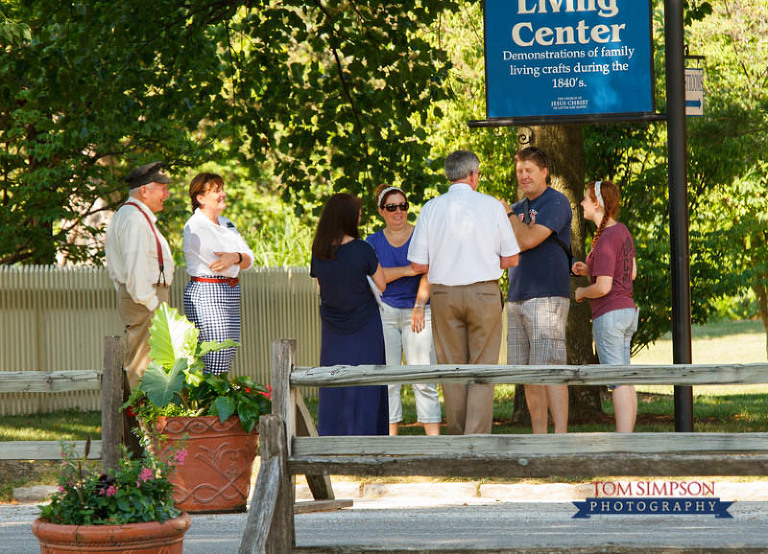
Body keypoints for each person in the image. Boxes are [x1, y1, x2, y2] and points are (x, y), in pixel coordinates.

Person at [408, 150, 520, 435]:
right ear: (473, 175)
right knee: (482, 366)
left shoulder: (431, 208)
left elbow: (418, 263)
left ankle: (458, 437)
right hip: (484, 293)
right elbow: (512, 258)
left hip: (444, 294)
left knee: (452, 368)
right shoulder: (492, 206)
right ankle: (477, 439)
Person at [105, 161, 174, 455]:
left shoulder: (133, 216)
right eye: (162, 188)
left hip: (146, 299)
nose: (166, 195)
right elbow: (134, 271)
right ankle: (153, 443)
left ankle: (150, 441)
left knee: (149, 369)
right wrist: (151, 303)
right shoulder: (133, 219)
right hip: (145, 300)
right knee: (146, 372)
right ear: (145, 191)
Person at [505, 147, 572, 434]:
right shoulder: (518, 209)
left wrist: (509, 217)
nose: (523, 176)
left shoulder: (556, 202)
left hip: (547, 296)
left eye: (529, 170)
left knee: (551, 371)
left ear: (544, 171)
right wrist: (515, 219)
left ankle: (560, 440)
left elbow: (529, 240)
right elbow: (505, 250)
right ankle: (539, 439)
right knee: (528, 375)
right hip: (517, 296)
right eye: (519, 171)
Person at [310, 193, 389, 436]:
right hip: (365, 322)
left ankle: (332, 433)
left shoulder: (319, 251)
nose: (360, 216)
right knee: (367, 378)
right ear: (349, 218)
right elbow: (382, 284)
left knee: (334, 379)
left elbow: (320, 287)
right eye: (358, 213)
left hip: (333, 324)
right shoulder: (362, 249)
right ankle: (366, 434)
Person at [367, 184, 441, 436]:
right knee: (389, 380)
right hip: (385, 311)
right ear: (381, 211)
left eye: (403, 205)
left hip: (419, 310)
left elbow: (430, 271)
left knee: (423, 376)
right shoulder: (373, 241)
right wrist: (409, 270)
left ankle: (433, 444)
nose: (398, 211)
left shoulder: (421, 234)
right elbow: (378, 278)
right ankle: (391, 443)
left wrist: (420, 305)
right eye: (391, 207)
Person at [573, 180, 638, 433]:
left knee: (617, 382)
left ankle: (622, 445)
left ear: (597, 203)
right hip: (627, 312)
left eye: (585, 199)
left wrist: (581, 292)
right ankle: (628, 440)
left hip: (609, 314)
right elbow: (629, 272)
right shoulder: (621, 231)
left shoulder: (606, 238)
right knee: (625, 378)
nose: (581, 204)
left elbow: (603, 288)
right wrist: (590, 269)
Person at [182, 173, 255, 375]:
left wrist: (235, 257)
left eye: (222, 189)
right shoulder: (195, 226)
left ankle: (215, 402)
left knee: (227, 352)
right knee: (215, 358)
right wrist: (237, 258)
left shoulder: (227, 223)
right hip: (207, 292)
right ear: (200, 198)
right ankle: (209, 403)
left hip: (229, 292)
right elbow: (221, 264)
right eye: (217, 191)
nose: (223, 194)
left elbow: (249, 259)